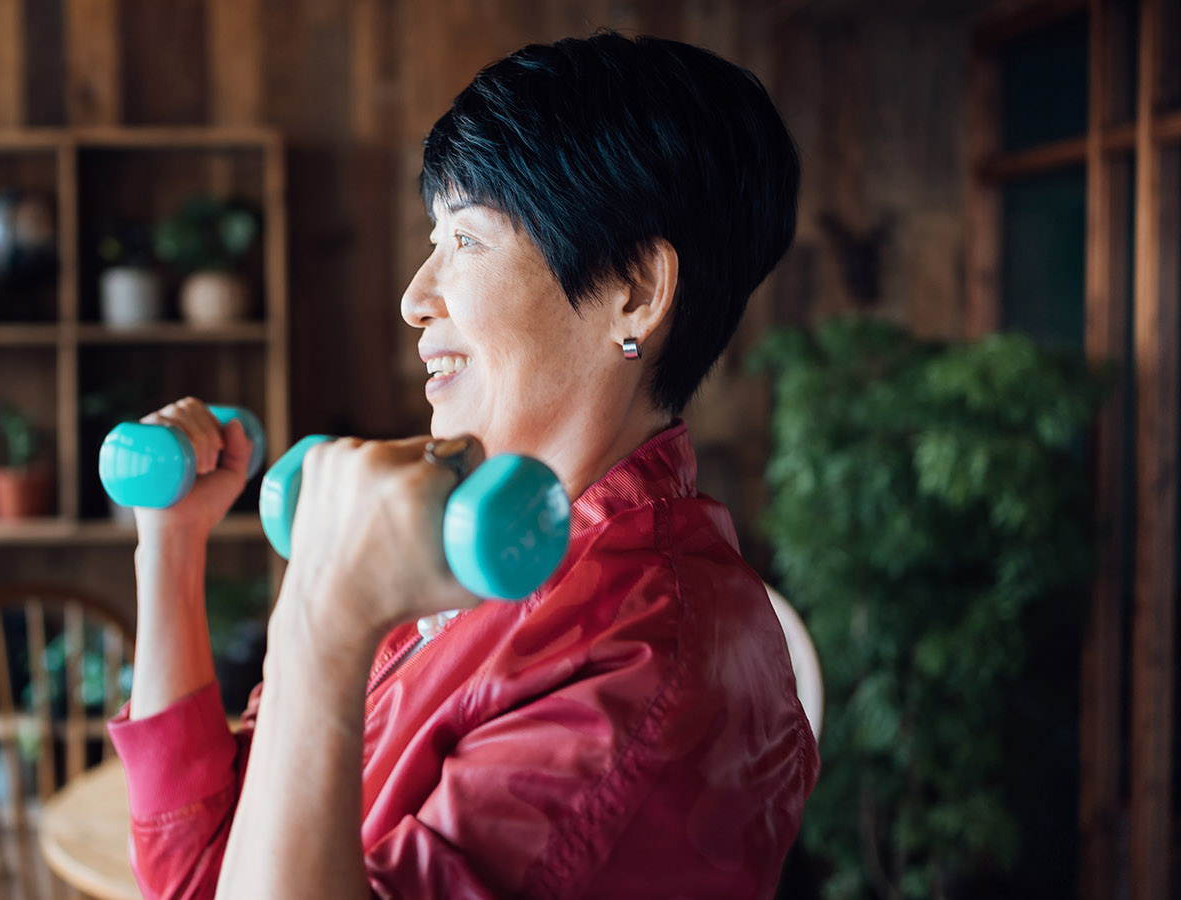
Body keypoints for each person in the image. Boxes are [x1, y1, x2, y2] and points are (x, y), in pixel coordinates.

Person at [107, 29, 817, 900]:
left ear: (634, 289)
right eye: (431, 238)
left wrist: (322, 627)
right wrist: (170, 545)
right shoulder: (463, 561)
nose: (415, 296)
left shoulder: (651, 659)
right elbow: (201, 873)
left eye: (468, 241)